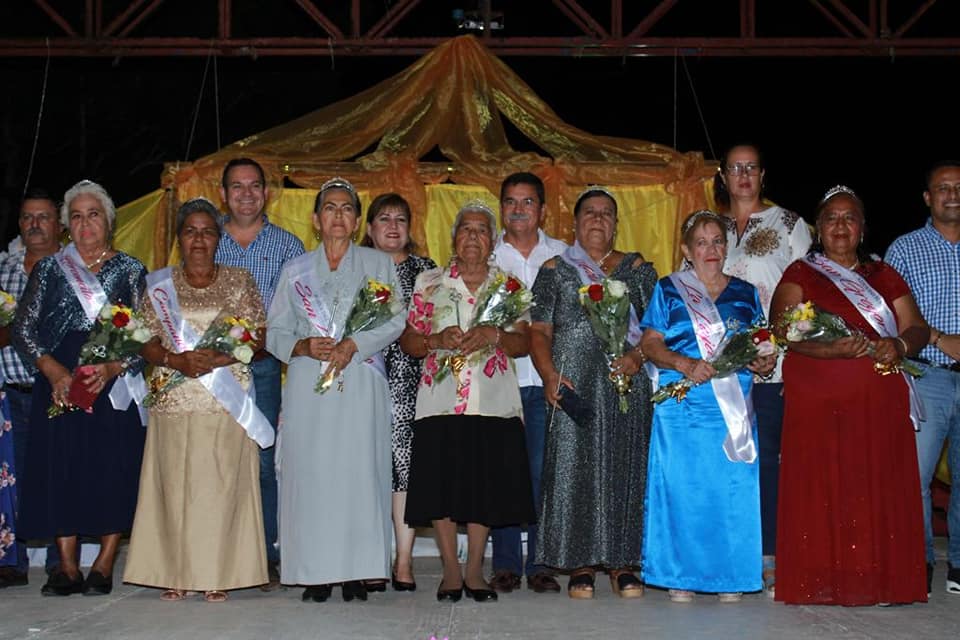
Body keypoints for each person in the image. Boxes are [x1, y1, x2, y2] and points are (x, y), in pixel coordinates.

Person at [771, 185, 928, 606]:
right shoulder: (800, 273)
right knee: (821, 484)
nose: (841, 226)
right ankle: (820, 580)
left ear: (862, 228)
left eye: (849, 218)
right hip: (817, 396)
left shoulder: (884, 275)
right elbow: (784, 328)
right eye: (831, 218)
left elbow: (916, 327)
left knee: (873, 482)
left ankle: (880, 582)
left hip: (879, 398)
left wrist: (900, 346)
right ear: (818, 229)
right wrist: (831, 349)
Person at [123, 198, 272, 603]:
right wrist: (174, 359)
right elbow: (142, 339)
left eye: (207, 231)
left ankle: (218, 573)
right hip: (172, 398)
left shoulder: (240, 280)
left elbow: (258, 338)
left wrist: (218, 359)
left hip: (224, 399)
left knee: (221, 490)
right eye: (191, 231)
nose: (199, 239)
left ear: (218, 238)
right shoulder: (158, 284)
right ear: (179, 239)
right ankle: (173, 572)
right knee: (173, 488)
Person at [267, 177, 404, 603]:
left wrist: (355, 344)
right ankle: (316, 572)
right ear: (315, 219)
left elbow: (396, 319)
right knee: (313, 474)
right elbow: (274, 331)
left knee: (359, 472)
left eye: (347, 208)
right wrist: (302, 345)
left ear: (358, 219)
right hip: (309, 382)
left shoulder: (378, 265)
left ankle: (357, 571)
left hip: (361, 377)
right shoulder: (295, 271)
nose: (338, 215)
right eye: (330, 208)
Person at [12, 180, 147, 596]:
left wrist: (110, 368)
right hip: (60, 381)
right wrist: (53, 372)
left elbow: (145, 335)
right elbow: (22, 328)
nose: (85, 223)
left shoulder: (130, 269)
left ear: (108, 221)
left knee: (111, 467)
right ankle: (66, 567)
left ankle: (104, 563)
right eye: (76, 216)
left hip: (109, 382)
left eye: (94, 214)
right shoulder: (51, 268)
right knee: (60, 468)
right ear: (67, 226)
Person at [400, 201, 536, 604]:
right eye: (466, 229)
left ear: (492, 242)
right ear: (454, 238)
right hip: (440, 400)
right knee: (442, 488)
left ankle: (476, 570)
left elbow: (523, 342)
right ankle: (450, 572)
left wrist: (495, 335)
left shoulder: (508, 285)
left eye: (481, 230)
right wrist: (434, 341)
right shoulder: (430, 282)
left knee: (484, 488)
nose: (473, 236)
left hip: (493, 402)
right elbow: (409, 341)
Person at [640, 210, 773, 603]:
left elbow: (760, 346)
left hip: (730, 405)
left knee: (730, 490)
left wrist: (763, 360)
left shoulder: (746, 293)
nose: (711, 249)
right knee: (683, 488)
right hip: (682, 403)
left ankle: (730, 575)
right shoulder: (668, 289)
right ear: (686, 249)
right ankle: (680, 574)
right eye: (702, 242)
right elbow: (649, 344)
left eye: (717, 241)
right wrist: (684, 364)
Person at [529, 187, 655, 599]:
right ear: (575, 223)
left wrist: (638, 357)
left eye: (606, 214)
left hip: (626, 382)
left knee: (625, 465)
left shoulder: (636, 268)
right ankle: (580, 562)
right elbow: (540, 331)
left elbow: (657, 330)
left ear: (617, 224)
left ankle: (623, 562)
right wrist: (549, 375)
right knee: (574, 470)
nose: (598, 219)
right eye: (590, 213)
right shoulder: (554, 269)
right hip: (573, 384)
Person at [715, 144, 812, 595]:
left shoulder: (789, 224)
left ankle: (771, 555)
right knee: (726, 461)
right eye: (735, 168)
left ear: (763, 174)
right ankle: (729, 551)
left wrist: (778, 347)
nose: (743, 175)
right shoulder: (708, 227)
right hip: (719, 372)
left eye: (751, 167)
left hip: (776, 367)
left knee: (771, 462)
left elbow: (811, 290)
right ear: (723, 175)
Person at [216, 158, 305, 589]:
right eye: (237, 187)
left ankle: (266, 552)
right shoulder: (205, 239)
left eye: (254, 186)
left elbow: (302, 312)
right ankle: (217, 550)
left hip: (265, 367)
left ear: (267, 193)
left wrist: (263, 337)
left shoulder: (289, 246)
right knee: (216, 459)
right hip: (211, 372)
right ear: (223, 194)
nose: (246, 194)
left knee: (264, 462)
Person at [487, 173, 567, 595]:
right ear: (501, 208)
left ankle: (540, 562)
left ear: (542, 209)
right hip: (499, 378)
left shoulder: (563, 256)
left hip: (547, 380)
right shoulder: (487, 254)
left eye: (528, 202)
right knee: (504, 472)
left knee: (543, 472)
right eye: (511, 202)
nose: (519, 210)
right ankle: (504, 564)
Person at [885, 160, 960, 596]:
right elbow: (891, 312)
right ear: (928, 197)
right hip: (927, 372)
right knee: (916, 475)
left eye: (958, 187)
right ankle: (920, 561)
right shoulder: (906, 248)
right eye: (942, 188)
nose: (952, 194)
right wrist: (938, 337)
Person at [360, 193, 436, 593]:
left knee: (405, 471)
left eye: (400, 219)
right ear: (369, 229)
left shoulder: (427, 270)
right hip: (362, 376)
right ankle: (371, 557)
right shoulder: (354, 266)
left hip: (414, 382)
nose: (392, 226)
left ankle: (403, 560)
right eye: (384, 219)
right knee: (367, 468)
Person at [0, 189, 63, 588]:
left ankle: (62, 560)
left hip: (57, 389)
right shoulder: (2, 269)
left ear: (59, 225)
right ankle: (12, 560)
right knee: (12, 478)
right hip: (13, 390)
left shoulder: (72, 270)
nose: (34, 224)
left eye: (43, 217)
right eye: (27, 217)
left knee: (59, 472)